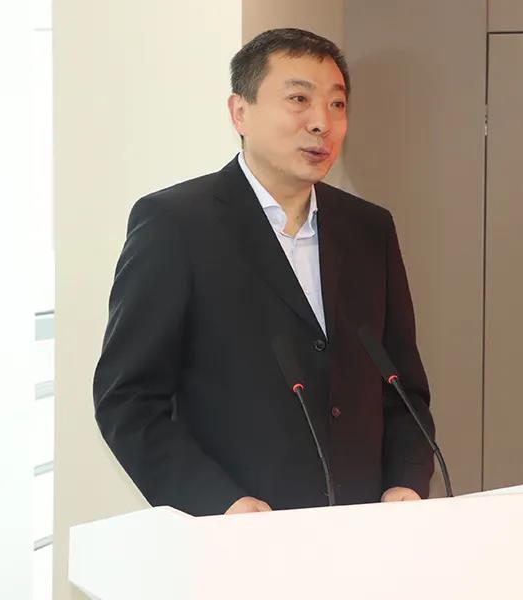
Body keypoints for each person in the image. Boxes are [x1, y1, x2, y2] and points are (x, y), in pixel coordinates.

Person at [93, 28, 435, 516]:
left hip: (364, 528)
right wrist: (220, 503)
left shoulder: (369, 228)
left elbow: (403, 388)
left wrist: (406, 482)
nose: (321, 123)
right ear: (240, 112)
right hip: (240, 530)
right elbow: (127, 401)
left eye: (337, 105)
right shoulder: (176, 224)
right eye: (299, 99)